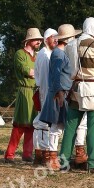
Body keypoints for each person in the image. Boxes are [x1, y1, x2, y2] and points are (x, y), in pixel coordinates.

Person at [60, 17, 94, 173]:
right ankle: (93, 164)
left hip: (76, 88)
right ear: (92, 28)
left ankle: (63, 163)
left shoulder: (70, 45)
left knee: (70, 127)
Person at [39, 24, 80, 171]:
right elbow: (56, 75)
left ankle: (55, 157)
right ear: (69, 38)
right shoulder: (58, 54)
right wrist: (60, 93)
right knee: (56, 127)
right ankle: (52, 159)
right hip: (59, 93)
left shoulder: (60, 53)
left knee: (60, 126)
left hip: (62, 92)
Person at [4, 28, 43, 163]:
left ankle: (27, 154)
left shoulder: (38, 55)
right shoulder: (20, 54)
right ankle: (9, 154)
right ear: (29, 40)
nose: (39, 42)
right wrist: (39, 72)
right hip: (25, 91)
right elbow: (27, 71)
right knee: (20, 125)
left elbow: (37, 71)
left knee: (33, 125)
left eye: (40, 40)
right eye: (37, 39)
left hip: (35, 91)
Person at [32, 28, 58, 165]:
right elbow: (44, 79)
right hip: (45, 93)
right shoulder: (44, 55)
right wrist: (48, 95)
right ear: (46, 39)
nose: (56, 40)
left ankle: (42, 152)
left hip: (47, 92)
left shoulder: (48, 54)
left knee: (45, 123)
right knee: (43, 123)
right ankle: (42, 153)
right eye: (53, 37)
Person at [65, 29, 89, 169]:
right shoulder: (72, 46)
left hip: (73, 86)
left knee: (75, 123)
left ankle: (75, 154)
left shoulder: (69, 47)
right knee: (78, 122)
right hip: (79, 86)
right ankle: (76, 154)